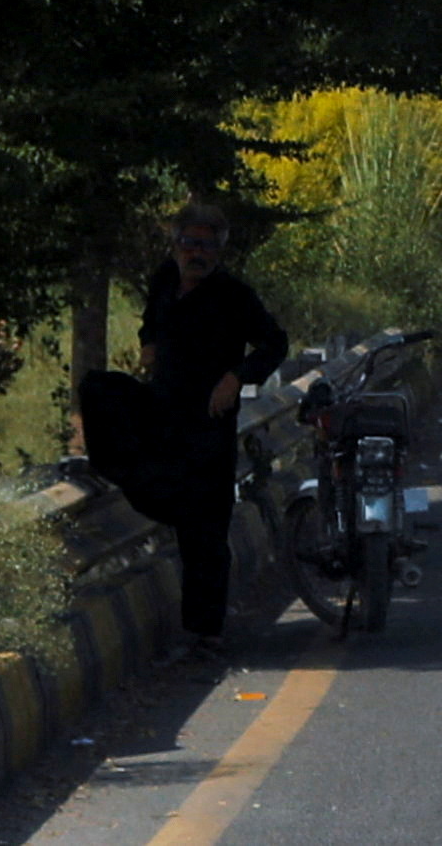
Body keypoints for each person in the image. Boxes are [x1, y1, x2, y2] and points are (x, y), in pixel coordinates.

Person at [82, 201, 290, 653]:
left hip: (208, 422)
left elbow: (275, 343)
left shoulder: (234, 296)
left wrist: (236, 378)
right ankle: (123, 478)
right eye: (189, 243)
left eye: (207, 245)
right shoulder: (164, 280)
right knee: (99, 388)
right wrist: (149, 343)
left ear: (219, 250)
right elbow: (148, 324)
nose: (197, 253)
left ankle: (206, 632)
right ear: (175, 245)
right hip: (163, 408)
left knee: (206, 530)